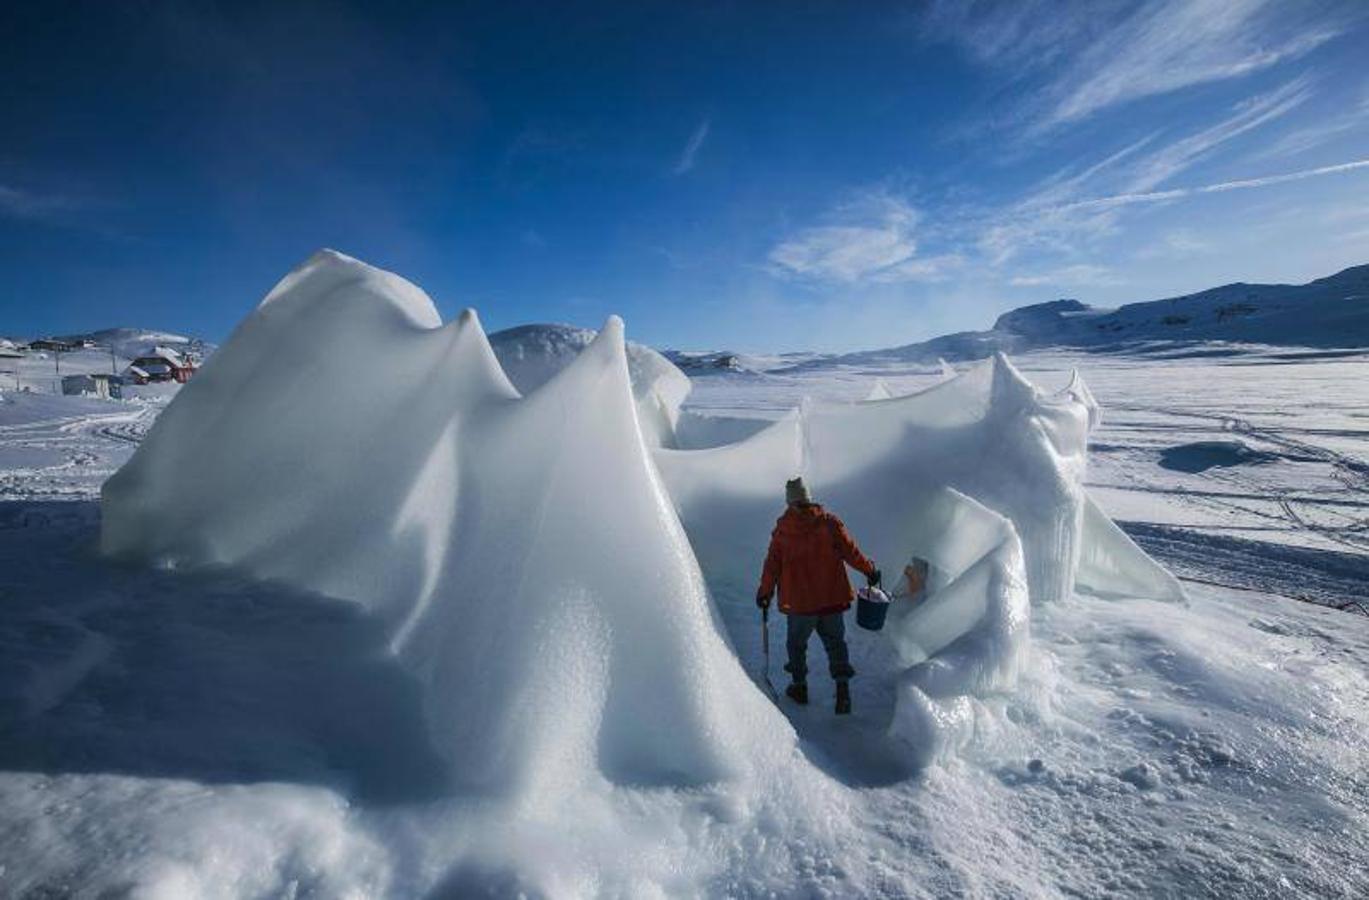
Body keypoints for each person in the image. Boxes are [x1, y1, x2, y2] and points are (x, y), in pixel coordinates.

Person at [755, 477, 879, 715]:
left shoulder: (783, 531)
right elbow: (851, 552)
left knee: (796, 644)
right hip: (831, 599)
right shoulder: (829, 524)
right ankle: (842, 690)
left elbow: (772, 567)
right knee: (835, 643)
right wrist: (870, 570)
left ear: (790, 502)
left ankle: (799, 686)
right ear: (809, 498)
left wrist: (765, 593)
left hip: (800, 604)